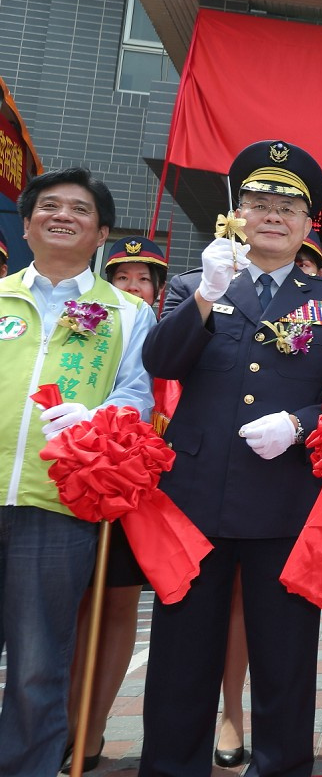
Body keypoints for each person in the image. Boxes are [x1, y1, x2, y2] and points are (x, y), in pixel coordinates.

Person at [139, 139, 322, 777]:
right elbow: (161, 362)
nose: (273, 214)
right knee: (181, 658)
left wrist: (299, 424)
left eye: (288, 206)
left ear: (308, 223)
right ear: (236, 214)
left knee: (285, 660)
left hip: (284, 501)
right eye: (259, 201)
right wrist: (207, 296)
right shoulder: (195, 283)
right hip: (195, 497)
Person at [0, 168, 154, 777]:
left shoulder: (124, 312)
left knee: (40, 662)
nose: (62, 216)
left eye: (79, 210)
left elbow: (138, 397)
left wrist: (97, 417)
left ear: (102, 234)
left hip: (59, 504)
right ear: (28, 221)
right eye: (49, 206)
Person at [62, 235, 169, 773]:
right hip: (79, 476)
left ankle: (94, 725)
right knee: (75, 606)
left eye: (143, 279)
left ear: (158, 289)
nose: (133, 286)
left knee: (119, 602)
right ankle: (62, 720)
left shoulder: (171, 334)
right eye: (122, 276)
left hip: (141, 488)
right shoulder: (92, 323)